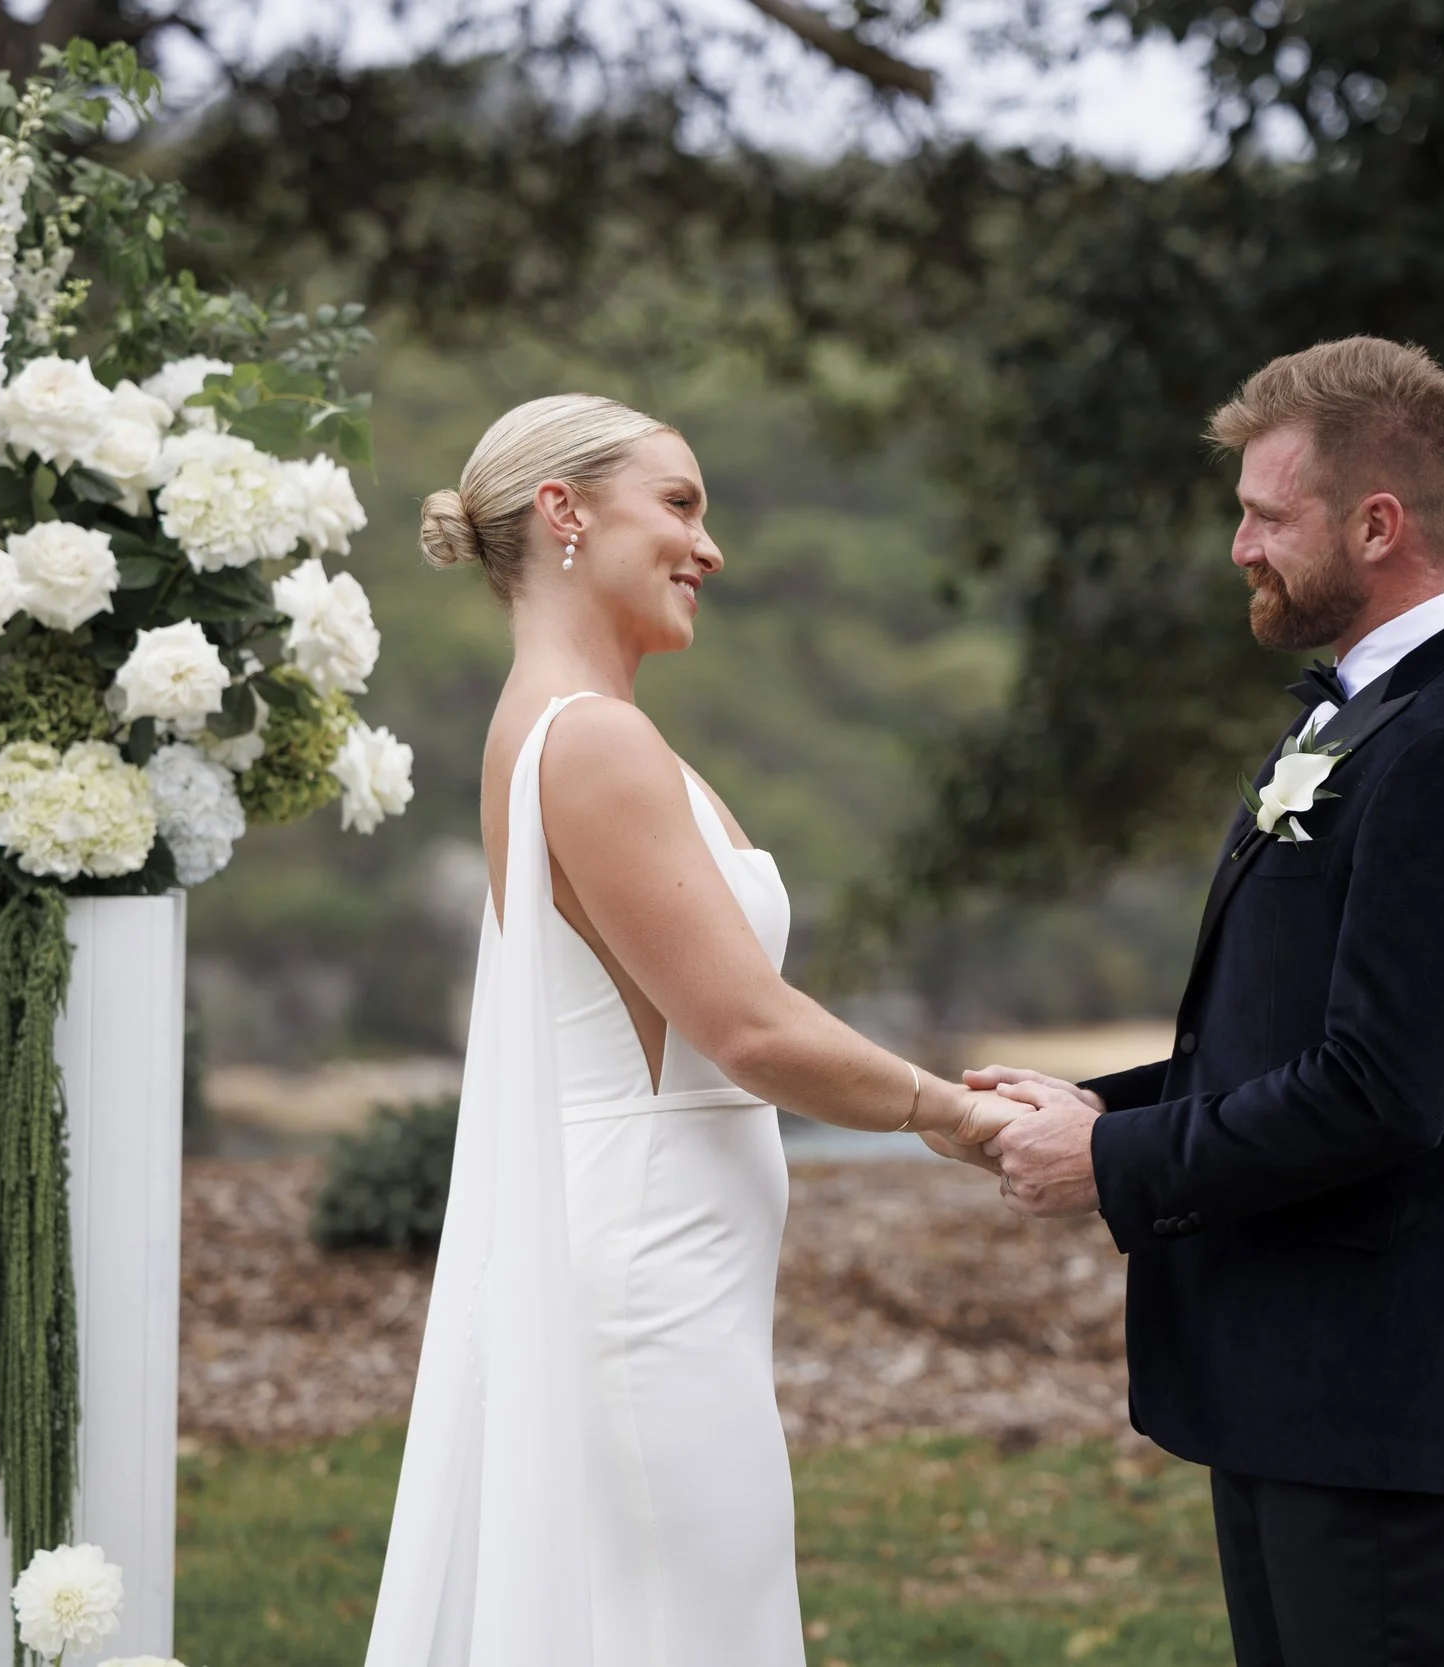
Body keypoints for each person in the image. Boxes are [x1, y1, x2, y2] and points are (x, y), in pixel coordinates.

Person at [363, 393, 1015, 1667]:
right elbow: (748, 1029)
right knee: (686, 1627)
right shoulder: (592, 739)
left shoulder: (576, 727)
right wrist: (960, 1116)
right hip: (646, 1275)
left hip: (666, 1260)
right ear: (565, 512)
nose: (708, 548)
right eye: (679, 504)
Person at [954, 337, 1444, 1666]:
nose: (1239, 544)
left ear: (1378, 522)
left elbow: (1380, 1091)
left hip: (1371, 1377)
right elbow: (1276, 1035)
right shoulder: (1362, 715)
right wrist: (1096, 1103)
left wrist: (1112, 1159)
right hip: (1288, 1366)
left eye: (1265, 514)